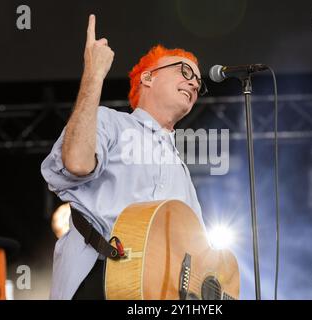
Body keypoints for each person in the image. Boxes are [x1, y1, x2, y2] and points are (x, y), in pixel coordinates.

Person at [41, 14, 208, 300]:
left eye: (199, 82)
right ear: (147, 77)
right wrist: (94, 74)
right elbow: (77, 163)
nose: (194, 84)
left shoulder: (180, 168)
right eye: (185, 71)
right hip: (102, 278)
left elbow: (199, 251)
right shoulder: (110, 122)